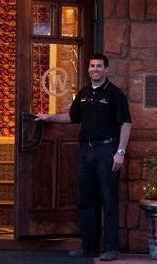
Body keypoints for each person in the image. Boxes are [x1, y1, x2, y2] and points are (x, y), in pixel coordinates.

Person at [36, 53, 132, 261]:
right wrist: (48, 117)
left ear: (106, 70)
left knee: (108, 199)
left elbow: (126, 123)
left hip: (107, 151)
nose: (94, 69)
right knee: (86, 200)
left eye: (99, 66)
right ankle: (88, 247)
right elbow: (72, 117)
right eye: (91, 66)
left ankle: (111, 248)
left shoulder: (115, 94)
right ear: (88, 69)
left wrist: (120, 152)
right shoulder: (84, 93)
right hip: (86, 151)